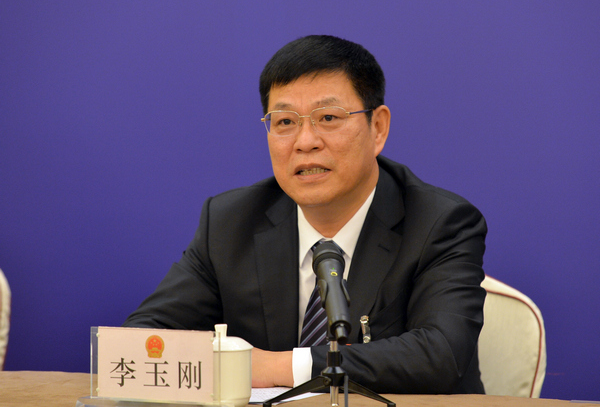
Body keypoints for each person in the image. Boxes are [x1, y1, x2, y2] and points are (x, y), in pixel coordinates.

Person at [124, 35, 487, 394]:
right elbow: (142, 341)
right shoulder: (230, 222)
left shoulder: (439, 223)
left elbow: (442, 356)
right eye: (285, 122)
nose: (305, 141)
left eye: (328, 117)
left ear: (377, 127)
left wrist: (277, 366)